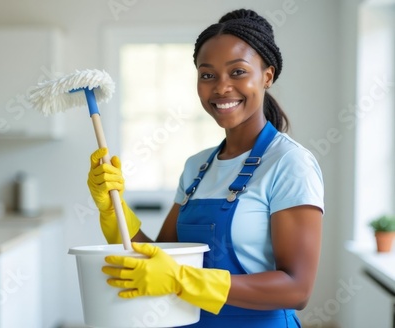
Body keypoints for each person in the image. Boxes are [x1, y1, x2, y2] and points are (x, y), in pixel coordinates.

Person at [87, 8, 324, 328]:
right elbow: (160, 260)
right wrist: (111, 210)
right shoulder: (196, 167)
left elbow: (297, 289)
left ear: (267, 76)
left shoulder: (289, 163)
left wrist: (184, 280)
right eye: (207, 74)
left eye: (238, 72)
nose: (221, 87)